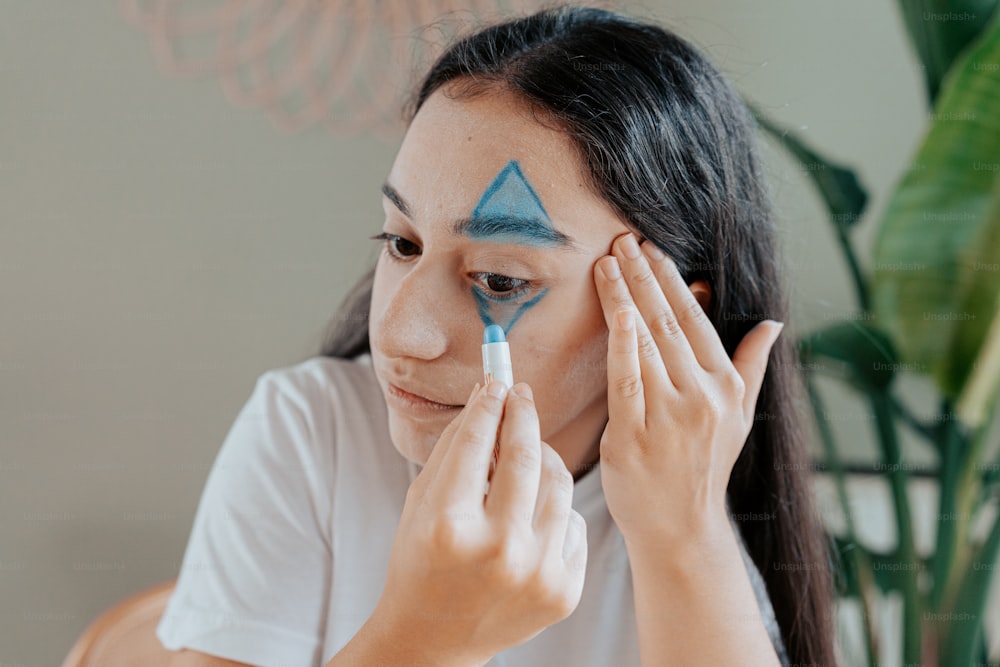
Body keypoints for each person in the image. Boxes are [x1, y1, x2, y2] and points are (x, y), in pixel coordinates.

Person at [156, 5, 837, 666]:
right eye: (401, 241)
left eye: (500, 280)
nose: (399, 332)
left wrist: (685, 536)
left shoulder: (687, 524)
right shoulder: (313, 434)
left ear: (668, 320)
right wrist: (426, 636)